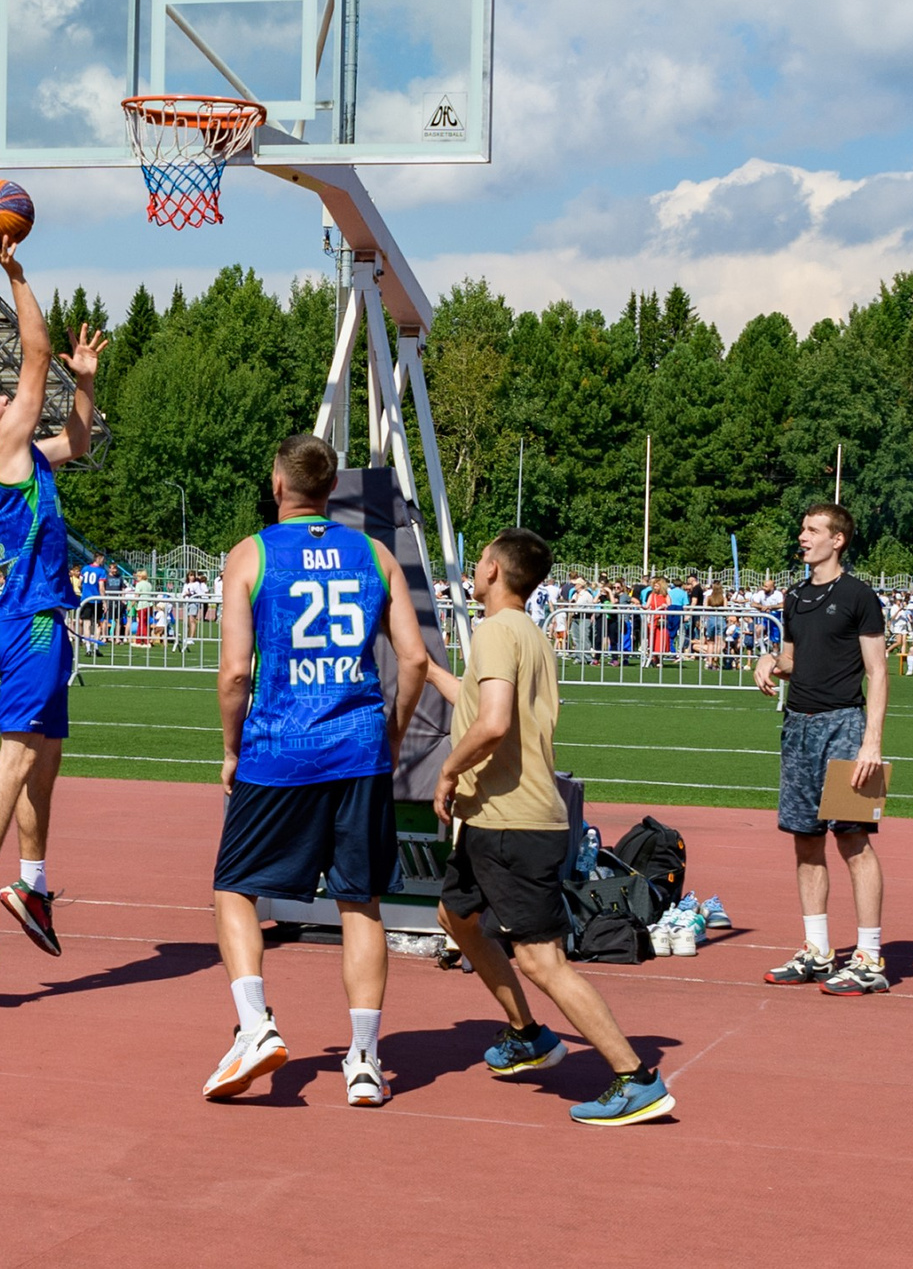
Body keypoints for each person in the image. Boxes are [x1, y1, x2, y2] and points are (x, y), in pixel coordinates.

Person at [204, 432, 430, 1106]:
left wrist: (230, 747)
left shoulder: (250, 555)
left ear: (278, 485)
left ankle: (255, 1024)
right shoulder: (374, 552)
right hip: (358, 746)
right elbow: (414, 660)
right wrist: (388, 731)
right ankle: (364, 1060)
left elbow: (235, 671)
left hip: (279, 746)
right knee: (361, 901)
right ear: (331, 490)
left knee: (235, 886)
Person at [430, 528, 675, 1126]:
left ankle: (634, 1077)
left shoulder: (492, 631)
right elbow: (483, 702)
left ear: (492, 570)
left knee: (541, 960)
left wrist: (447, 771)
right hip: (503, 817)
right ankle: (528, 1034)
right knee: (455, 918)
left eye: (481, 557)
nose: (477, 564)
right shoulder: (529, 635)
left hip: (511, 821)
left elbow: (490, 724)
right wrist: (424, 667)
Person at [0, 231, 104, 967]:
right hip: (28, 618)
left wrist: (86, 382)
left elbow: (82, 441)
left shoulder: (23, 454)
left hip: (42, 615)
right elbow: (35, 352)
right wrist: (16, 273)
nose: (7, 398)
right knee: (15, 754)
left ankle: (31, 884)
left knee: (46, 754)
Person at [754, 502, 891, 995]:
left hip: (846, 729)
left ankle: (870, 958)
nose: (802, 535)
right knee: (805, 839)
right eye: (803, 528)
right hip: (798, 728)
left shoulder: (859, 595)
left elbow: (877, 672)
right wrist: (770, 661)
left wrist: (871, 742)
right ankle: (818, 951)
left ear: (838, 540)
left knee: (853, 840)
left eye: (812, 530)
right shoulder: (793, 597)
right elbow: (794, 659)